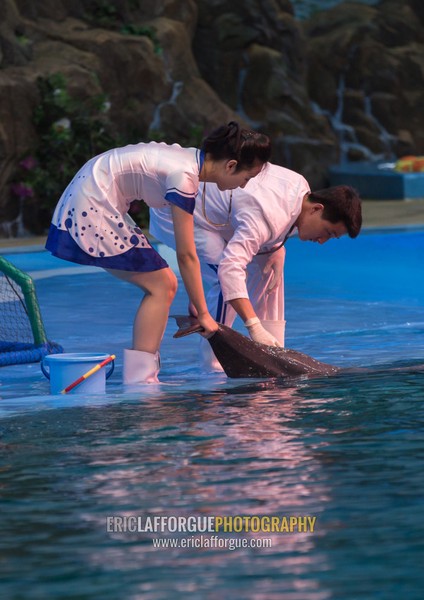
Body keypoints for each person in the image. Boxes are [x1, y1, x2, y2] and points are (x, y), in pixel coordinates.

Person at [45, 122, 272, 383]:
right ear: (231, 165)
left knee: (163, 283)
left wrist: (197, 300)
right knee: (162, 286)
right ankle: (141, 381)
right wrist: (204, 313)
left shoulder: (190, 161)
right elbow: (186, 254)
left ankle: (142, 377)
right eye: (246, 179)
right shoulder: (184, 176)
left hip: (95, 190)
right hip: (92, 200)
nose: (243, 186)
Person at [149, 162, 362, 371]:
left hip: (217, 216)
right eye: (329, 232)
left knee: (270, 265)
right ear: (317, 208)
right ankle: (214, 366)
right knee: (223, 279)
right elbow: (230, 268)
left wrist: (277, 248)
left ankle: (274, 353)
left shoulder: (301, 188)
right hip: (175, 209)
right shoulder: (267, 216)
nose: (323, 241)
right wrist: (253, 326)